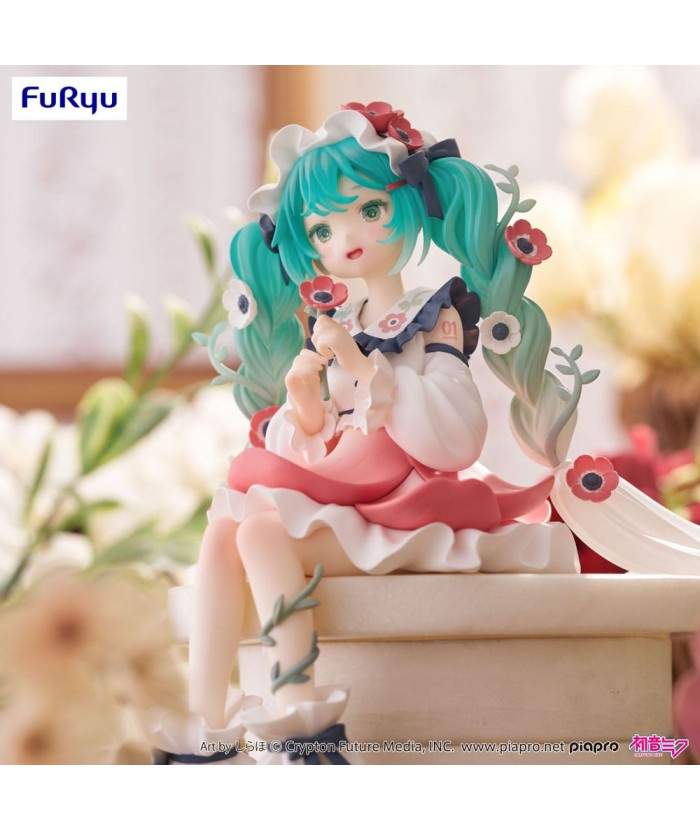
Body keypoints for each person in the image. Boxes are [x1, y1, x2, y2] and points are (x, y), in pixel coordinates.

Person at [187, 102, 700, 763]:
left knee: (258, 531)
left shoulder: (435, 318)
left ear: (407, 204)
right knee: (226, 530)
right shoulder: (334, 322)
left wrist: (363, 369)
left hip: (409, 498)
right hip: (346, 489)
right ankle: (201, 727)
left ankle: (298, 721)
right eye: (322, 229)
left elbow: (454, 440)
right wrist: (306, 401)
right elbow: (323, 443)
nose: (347, 238)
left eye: (370, 210)